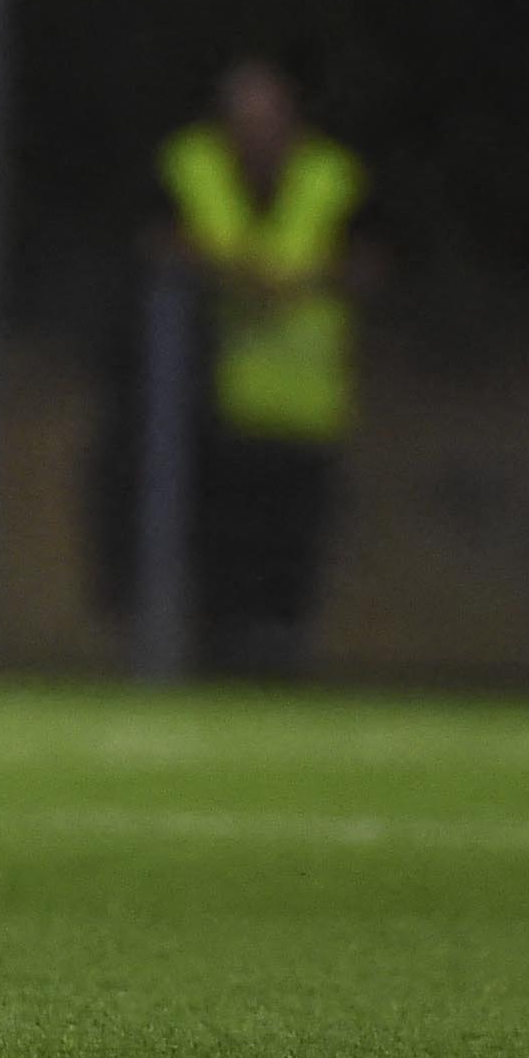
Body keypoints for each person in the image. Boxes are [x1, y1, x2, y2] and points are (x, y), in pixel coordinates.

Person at [159, 58, 369, 676]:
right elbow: (158, 243)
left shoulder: (329, 177)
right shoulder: (191, 167)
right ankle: (216, 655)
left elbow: (371, 259)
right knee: (220, 545)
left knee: (293, 548)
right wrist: (236, 274)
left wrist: (300, 279)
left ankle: (282, 658)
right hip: (213, 402)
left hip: (307, 403)